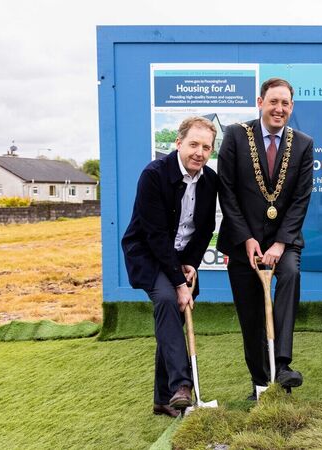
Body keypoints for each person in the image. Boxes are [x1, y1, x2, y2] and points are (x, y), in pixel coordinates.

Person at [217, 78, 314, 399]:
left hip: (283, 242)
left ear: (292, 107)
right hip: (242, 241)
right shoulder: (234, 134)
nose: (279, 108)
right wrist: (245, 237)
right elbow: (226, 190)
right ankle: (261, 383)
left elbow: (301, 199)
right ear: (260, 102)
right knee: (251, 313)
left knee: (289, 273)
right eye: (273, 102)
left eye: (285, 103)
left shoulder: (303, 143)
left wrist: (279, 243)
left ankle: (282, 365)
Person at [121, 116, 219, 417]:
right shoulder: (154, 175)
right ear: (178, 143)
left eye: (206, 147)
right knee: (166, 299)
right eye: (193, 144)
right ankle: (181, 386)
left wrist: (190, 264)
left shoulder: (210, 180)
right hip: (148, 253)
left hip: (180, 259)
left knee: (172, 321)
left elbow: (203, 230)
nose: (199, 153)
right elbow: (155, 234)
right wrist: (178, 282)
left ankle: (163, 400)